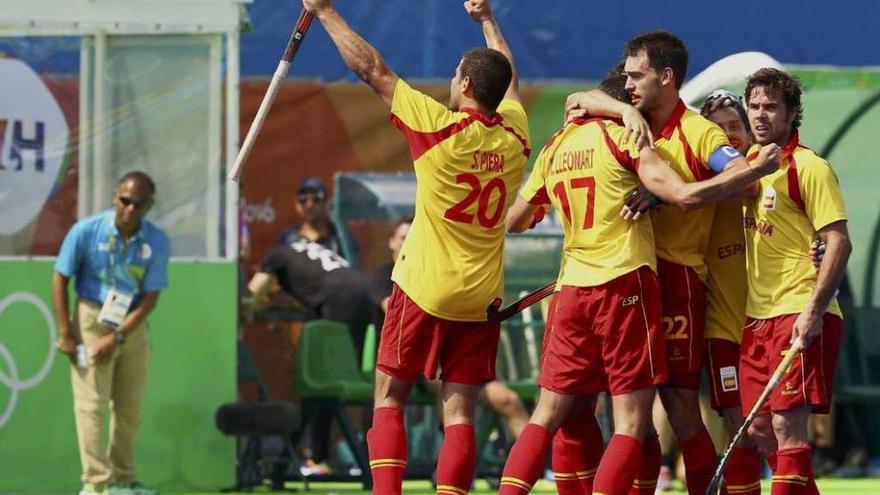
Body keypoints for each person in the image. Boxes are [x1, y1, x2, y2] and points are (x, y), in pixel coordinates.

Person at [499, 67, 778, 495]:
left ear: (664, 78)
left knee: (646, 409)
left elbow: (516, 219)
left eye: (736, 125)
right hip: (630, 283)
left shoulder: (562, 143)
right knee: (632, 415)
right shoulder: (632, 136)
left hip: (614, 284)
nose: (730, 133)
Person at [299, 0, 531, 493]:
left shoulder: (439, 127)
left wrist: (323, 11)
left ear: (465, 85)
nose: (451, 79)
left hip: (424, 289)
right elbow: (508, 82)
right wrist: (489, 20)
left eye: (455, 74)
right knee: (461, 410)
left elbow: (372, 69)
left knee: (389, 397)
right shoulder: (514, 135)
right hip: (480, 297)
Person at [565, 31, 763, 495]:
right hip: (624, 278)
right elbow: (578, 97)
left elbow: (745, 181)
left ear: (667, 76)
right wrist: (623, 109)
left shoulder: (700, 131)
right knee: (622, 407)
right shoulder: (633, 120)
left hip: (677, 281)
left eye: (638, 75)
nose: (630, 82)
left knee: (677, 405)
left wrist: (667, 195)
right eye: (628, 76)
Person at [739, 68, 851, 494]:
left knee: (788, 427)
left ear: (792, 113)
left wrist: (814, 309)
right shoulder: (746, 167)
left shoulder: (810, 167)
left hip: (798, 312)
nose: (761, 115)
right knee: (762, 430)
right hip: (755, 317)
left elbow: (838, 241)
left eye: (771, 107)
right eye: (754, 105)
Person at [53, 171, 170, 495]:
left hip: (131, 324)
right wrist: (66, 330)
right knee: (91, 403)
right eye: (125, 201)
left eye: (139, 203)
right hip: (91, 317)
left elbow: (150, 297)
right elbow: (60, 277)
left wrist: (119, 336)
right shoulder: (86, 231)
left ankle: (123, 478)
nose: (130, 209)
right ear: (115, 196)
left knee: (130, 406)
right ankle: (96, 483)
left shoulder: (157, 241)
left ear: (150, 205)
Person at [372, 217, 530, 442]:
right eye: (402, 238)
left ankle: (538, 469)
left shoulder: (436, 274)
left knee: (508, 400)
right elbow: (394, 310)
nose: (407, 242)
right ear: (391, 242)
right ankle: (447, 460)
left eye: (412, 238)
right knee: (448, 395)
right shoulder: (385, 275)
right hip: (411, 360)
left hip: (453, 354)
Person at [248, 237, 381, 475]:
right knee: (369, 381)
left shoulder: (276, 255)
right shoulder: (308, 253)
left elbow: (252, 294)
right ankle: (370, 458)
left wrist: (243, 314)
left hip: (340, 298)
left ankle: (321, 458)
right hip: (364, 290)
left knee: (324, 385)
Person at [699, 89, 763, 494]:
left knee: (774, 426)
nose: (728, 135)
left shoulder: (767, 167)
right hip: (722, 328)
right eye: (718, 129)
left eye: (734, 126)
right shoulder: (696, 181)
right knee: (738, 424)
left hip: (768, 322)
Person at [278, 176, 342, 253]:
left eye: (316, 198)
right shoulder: (288, 239)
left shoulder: (340, 239)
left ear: (326, 203)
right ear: (297, 205)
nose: (309, 205)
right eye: (303, 199)